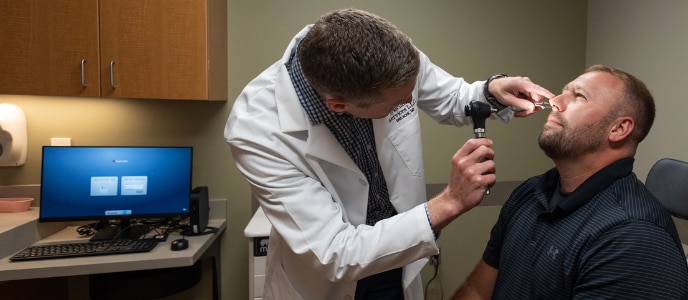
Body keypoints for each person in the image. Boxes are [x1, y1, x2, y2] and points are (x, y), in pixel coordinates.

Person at [224, 8, 554, 300]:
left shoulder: (380, 51)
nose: (409, 104)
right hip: (327, 281)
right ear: (340, 105)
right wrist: (449, 201)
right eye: (397, 105)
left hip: (397, 260)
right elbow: (336, 253)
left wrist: (489, 91)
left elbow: (451, 96)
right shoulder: (258, 132)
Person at [452, 65, 688, 299]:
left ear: (618, 128)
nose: (555, 102)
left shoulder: (633, 238)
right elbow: (477, 292)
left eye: (578, 96)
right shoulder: (530, 192)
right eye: (563, 91)